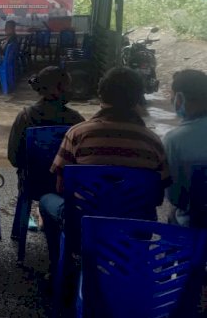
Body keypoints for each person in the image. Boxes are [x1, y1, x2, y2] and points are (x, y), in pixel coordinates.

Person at [39, 67, 169, 273]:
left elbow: (61, 186)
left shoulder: (78, 134)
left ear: (101, 94)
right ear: (137, 99)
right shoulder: (152, 142)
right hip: (135, 230)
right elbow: (157, 197)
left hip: (82, 227)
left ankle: (59, 267)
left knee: (46, 200)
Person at [7, 66, 85, 239]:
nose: (71, 90)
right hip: (64, 186)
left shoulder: (25, 117)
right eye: (68, 86)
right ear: (57, 89)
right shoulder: (76, 121)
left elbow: (13, 158)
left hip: (32, 184)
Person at [163, 69, 207, 226]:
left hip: (193, 226)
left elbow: (175, 196)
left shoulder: (174, 140)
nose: (171, 100)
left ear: (180, 98)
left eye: (172, 96)